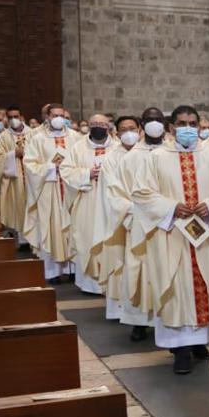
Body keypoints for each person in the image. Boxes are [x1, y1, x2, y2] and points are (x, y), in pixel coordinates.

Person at [133, 105, 209, 374]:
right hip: (172, 234)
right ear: (172, 128)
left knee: (208, 284)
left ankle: (201, 342)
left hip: (207, 234)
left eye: (193, 123)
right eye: (182, 123)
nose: (188, 128)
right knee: (177, 287)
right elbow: (141, 193)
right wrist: (171, 207)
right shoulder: (156, 157)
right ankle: (180, 349)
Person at [118, 108, 169, 340]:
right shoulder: (130, 158)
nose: (154, 124)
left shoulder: (174, 152)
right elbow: (115, 192)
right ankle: (139, 321)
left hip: (170, 222)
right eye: (149, 120)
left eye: (158, 120)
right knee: (139, 271)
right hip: (140, 223)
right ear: (142, 125)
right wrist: (136, 211)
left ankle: (171, 319)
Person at [23, 104, 85, 282]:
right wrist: (51, 167)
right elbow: (30, 165)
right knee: (51, 227)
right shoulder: (38, 139)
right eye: (55, 115)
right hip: (49, 189)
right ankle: (53, 272)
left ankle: (73, 269)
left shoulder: (76, 137)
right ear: (47, 117)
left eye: (61, 115)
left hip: (71, 189)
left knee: (73, 227)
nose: (59, 118)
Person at [92, 116, 142, 322]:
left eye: (132, 128)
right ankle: (126, 313)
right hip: (124, 219)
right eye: (124, 129)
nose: (129, 132)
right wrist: (134, 208)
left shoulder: (152, 154)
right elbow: (111, 191)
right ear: (117, 133)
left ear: (140, 130)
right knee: (122, 262)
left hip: (152, 219)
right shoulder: (111, 158)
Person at [67, 113, 115, 294]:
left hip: (111, 203)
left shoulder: (118, 148)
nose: (98, 127)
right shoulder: (78, 148)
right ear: (88, 125)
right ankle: (89, 284)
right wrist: (87, 174)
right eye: (94, 123)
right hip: (87, 201)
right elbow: (66, 171)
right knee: (86, 238)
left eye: (102, 124)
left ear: (108, 127)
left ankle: (111, 283)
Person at [0, 106, 31, 247]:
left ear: (21, 117)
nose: (13, 120)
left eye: (16, 116)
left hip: (32, 178)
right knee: (19, 208)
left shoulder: (33, 134)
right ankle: (23, 241)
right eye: (10, 117)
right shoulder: (4, 137)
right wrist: (12, 154)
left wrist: (27, 152)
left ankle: (35, 240)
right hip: (15, 179)